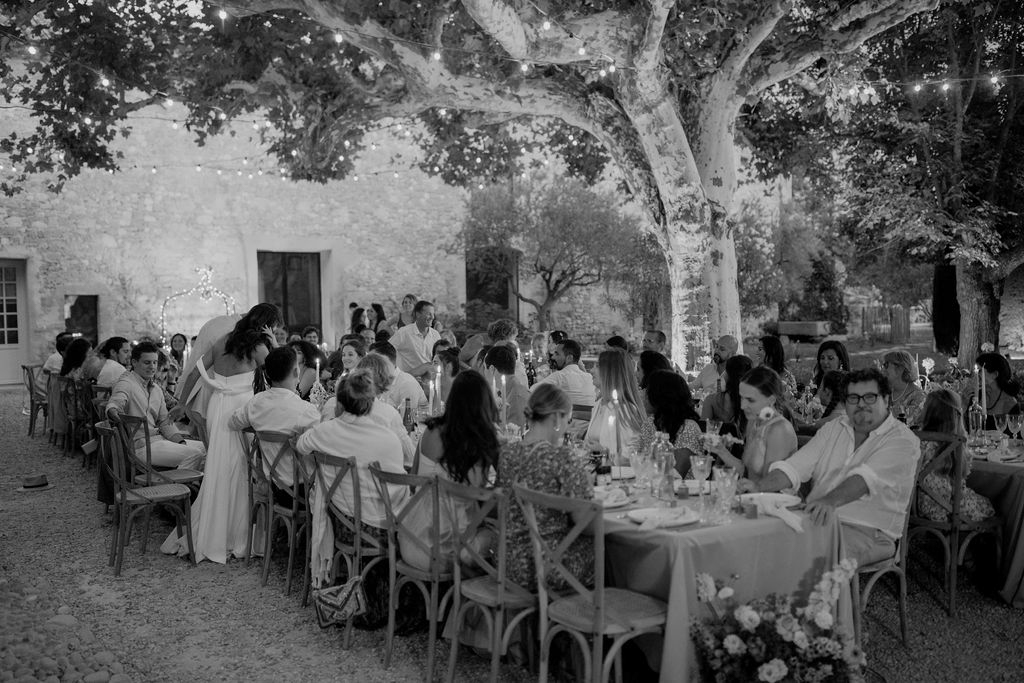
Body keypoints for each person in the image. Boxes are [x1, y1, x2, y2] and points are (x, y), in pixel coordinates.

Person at [741, 368, 921, 566]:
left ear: (886, 400)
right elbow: (793, 467)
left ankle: (814, 596)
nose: (861, 404)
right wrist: (758, 487)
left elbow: (864, 479)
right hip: (816, 519)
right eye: (853, 398)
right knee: (756, 542)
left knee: (803, 558)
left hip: (869, 531)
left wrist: (828, 501)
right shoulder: (834, 428)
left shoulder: (902, 440)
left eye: (870, 397)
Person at [295, 369, 407, 626]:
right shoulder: (387, 439)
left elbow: (301, 445)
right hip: (378, 528)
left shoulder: (326, 431)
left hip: (342, 525)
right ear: (371, 402)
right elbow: (397, 492)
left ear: (340, 402)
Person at [161, 326, 272, 563]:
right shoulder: (258, 347)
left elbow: (193, 374)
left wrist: (181, 403)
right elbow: (279, 369)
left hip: (219, 405)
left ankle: (217, 530)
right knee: (242, 468)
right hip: (242, 407)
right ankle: (238, 535)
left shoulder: (223, 341)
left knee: (221, 467)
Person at [496, 385, 593, 590]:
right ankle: (581, 617)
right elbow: (586, 520)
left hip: (507, 560)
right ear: (557, 418)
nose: (568, 425)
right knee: (609, 553)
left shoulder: (507, 453)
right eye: (568, 419)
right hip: (544, 567)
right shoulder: (562, 458)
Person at [404, 371, 498, 572]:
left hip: (410, 536)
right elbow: (480, 497)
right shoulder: (479, 442)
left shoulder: (430, 431)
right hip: (443, 550)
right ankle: (475, 598)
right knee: (501, 534)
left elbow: (413, 481)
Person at [106, 342, 206, 470]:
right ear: (134, 362)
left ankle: (187, 484)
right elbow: (117, 399)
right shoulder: (127, 382)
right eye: (147, 363)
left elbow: (165, 422)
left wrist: (181, 443)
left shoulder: (156, 389)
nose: (152, 367)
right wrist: (113, 409)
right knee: (195, 454)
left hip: (159, 440)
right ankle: (175, 486)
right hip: (140, 447)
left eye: (155, 362)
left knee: (207, 448)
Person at [320, 354, 416, 468]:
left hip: (331, 480)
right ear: (383, 380)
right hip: (371, 480)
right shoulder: (388, 413)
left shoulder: (331, 403)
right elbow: (411, 457)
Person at [916, 389, 995, 523]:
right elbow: (959, 493)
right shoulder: (953, 447)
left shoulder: (918, 442)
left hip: (919, 511)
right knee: (991, 505)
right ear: (956, 417)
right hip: (948, 513)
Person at [709, 367, 797, 483]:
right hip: (753, 496)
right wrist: (722, 451)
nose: (742, 406)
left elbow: (769, 487)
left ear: (771, 400)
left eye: (750, 400)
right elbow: (748, 472)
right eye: (741, 398)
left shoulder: (779, 430)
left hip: (773, 500)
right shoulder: (754, 421)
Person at [585, 348, 646, 460]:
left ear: (611, 372)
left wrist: (603, 453)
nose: (591, 371)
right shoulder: (600, 403)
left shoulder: (624, 410)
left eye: (597, 366)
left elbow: (631, 456)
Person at [643, 370, 703, 476]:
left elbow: (677, 473)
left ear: (660, 396)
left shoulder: (688, 428)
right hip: (652, 485)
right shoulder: (649, 424)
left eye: (648, 390)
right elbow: (639, 459)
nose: (644, 394)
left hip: (684, 489)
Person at [531, 338, 595, 406]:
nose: (553, 357)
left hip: (565, 416)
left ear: (569, 358)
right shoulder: (590, 378)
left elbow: (531, 391)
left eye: (557, 354)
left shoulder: (560, 376)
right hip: (589, 416)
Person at [389, 300, 441, 383]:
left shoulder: (436, 335)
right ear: (418, 314)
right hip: (408, 382)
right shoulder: (404, 333)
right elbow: (385, 351)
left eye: (433, 314)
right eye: (429, 314)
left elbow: (441, 359)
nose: (432, 317)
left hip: (430, 383)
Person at [369, 341, 426, 412]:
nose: (369, 365)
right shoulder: (376, 380)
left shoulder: (406, 383)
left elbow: (407, 419)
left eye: (373, 361)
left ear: (385, 361)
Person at [966, 352, 1021, 420]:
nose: (976, 375)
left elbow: (1014, 429)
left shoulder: (1010, 404)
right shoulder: (976, 397)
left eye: (979, 371)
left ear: (995, 374)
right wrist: (963, 404)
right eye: (976, 371)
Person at [485, 344, 529, 428]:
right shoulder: (508, 390)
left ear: (492, 369)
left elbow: (513, 434)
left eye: (484, 368)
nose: (484, 372)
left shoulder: (516, 397)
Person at [701, 355, 754, 425]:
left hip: (719, 435)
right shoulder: (756, 402)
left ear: (726, 375)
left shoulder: (711, 400)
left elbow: (704, 430)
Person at [881, 350, 926, 423]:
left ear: (900, 369)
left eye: (886, 365)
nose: (882, 369)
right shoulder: (885, 392)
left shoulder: (918, 397)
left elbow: (909, 424)